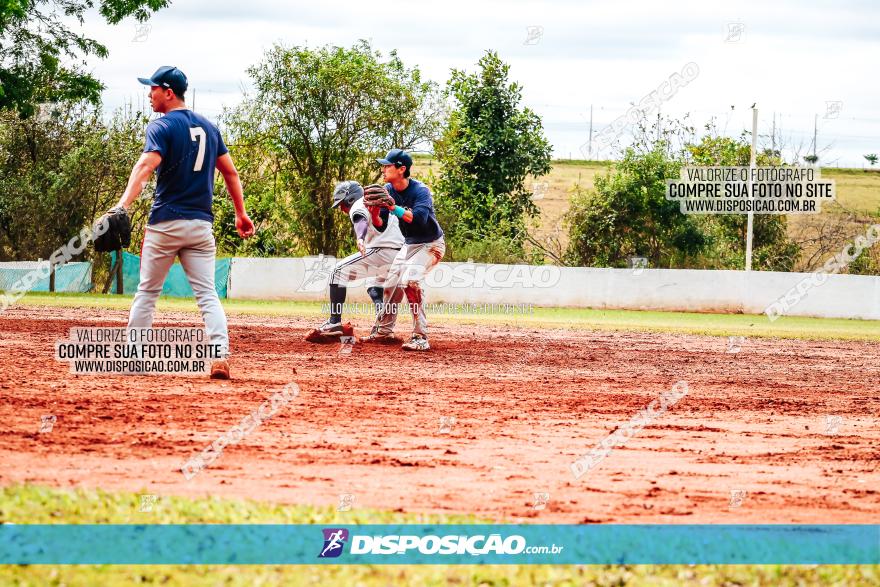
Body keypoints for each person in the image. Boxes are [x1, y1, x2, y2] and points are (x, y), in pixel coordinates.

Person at [111, 66, 254, 379]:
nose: (149, 94)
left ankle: (134, 357)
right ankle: (219, 357)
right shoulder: (209, 127)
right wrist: (240, 213)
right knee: (207, 295)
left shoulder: (161, 127)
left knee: (147, 292)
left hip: (165, 223)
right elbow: (230, 172)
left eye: (153, 89)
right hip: (200, 225)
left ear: (168, 92)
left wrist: (122, 205)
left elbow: (147, 164)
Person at [361, 149, 445, 351]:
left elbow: (418, 219)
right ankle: (384, 331)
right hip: (408, 244)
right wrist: (373, 210)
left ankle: (420, 336)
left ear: (402, 169)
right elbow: (380, 225)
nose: (383, 169)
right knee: (391, 285)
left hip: (430, 244)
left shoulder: (420, 191)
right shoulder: (388, 188)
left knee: (410, 281)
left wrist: (393, 207)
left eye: (388, 165)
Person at [308, 180, 403, 339]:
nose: (341, 208)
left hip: (384, 250)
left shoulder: (359, 204)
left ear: (350, 199)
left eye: (341, 204)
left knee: (338, 271)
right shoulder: (375, 202)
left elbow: (361, 220)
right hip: (400, 255)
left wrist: (360, 238)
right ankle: (382, 326)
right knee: (373, 285)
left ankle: (334, 322)